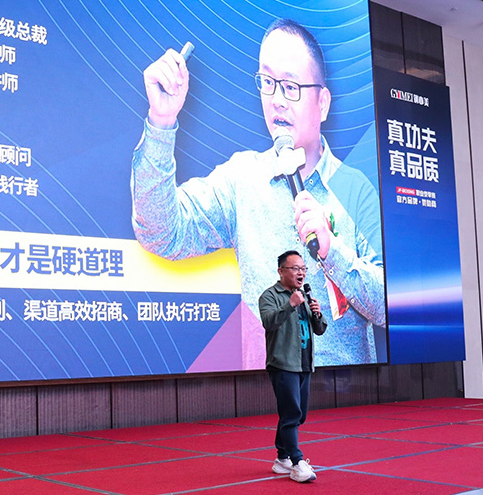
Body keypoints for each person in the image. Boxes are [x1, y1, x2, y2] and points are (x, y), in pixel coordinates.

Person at [131, 18, 384, 368]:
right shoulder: (243, 179)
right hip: (267, 395)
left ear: (322, 103)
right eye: (267, 83)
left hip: (350, 395)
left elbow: (390, 304)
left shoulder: (354, 188)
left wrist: (332, 252)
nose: (277, 100)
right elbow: (162, 232)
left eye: (291, 86)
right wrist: (161, 121)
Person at [258, 250, 326, 482]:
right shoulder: (270, 296)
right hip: (283, 363)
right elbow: (269, 322)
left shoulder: (303, 296)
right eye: (295, 268)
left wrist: (317, 314)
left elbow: (319, 330)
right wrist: (289, 305)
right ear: (281, 271)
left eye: (303, 269)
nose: (301, 273)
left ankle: (282, 458)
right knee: (291, 413)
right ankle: (297, 462)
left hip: (304, 363)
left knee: (299, 415)